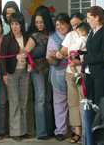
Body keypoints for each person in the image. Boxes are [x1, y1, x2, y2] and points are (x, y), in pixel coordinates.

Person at [25, 5, 55, 139]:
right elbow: (24, 53)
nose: (39, 24)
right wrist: (23, 57)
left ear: (47, 21)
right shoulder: (33, 36)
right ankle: (41, 132)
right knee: (41, 99)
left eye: (41, 22)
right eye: (36, 22)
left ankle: (50, 130)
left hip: (51, 69)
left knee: (49, 100)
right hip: (37, 71)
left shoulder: (52, 35)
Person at [83, 6, 104, 145]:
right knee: (90, 107)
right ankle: (90, 140)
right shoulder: (91, 32)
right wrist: (80, 54)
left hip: (101, 75)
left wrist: (85, 59)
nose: (87, 20)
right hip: (90, 74)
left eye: (89, 17)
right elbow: (90, 51)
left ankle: (101, 139)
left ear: (97, 18)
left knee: (100, 108)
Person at [0, 13, 29, 141]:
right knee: (14, 102)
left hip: (25, 73)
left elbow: (31, 53)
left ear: (21, 24)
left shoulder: (27, 37)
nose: (14, 27)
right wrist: (4, 74)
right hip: (12, 73)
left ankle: (23, 130)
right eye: (12, 24)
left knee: (24, 101)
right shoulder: (6, 38)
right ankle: (15, 132)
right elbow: (2, 58)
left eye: (17, 24)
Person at [57, 13, 86, 143]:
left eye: (77, 24)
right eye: (72, 25)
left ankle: (86, 132)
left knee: (84, 102)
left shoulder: (89, 35)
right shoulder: (70, 35)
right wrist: (59, 53)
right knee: (73, 103)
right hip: (70, 72)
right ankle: (77, 132)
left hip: (84, 72)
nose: (74, 27)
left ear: (83, 21)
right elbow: (64, 50)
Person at [46, 13, 71, 141]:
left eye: (62, 23)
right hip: (58, 73)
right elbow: (49, 59)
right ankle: (60, 130)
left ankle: (75, 129)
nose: (60, 27)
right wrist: (56, 56)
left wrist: (59, 54)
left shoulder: (74, 35)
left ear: (68, 24)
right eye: (57, 24)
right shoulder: (53, 38)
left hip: (73, 72)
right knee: (59, 102)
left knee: (73, 101)